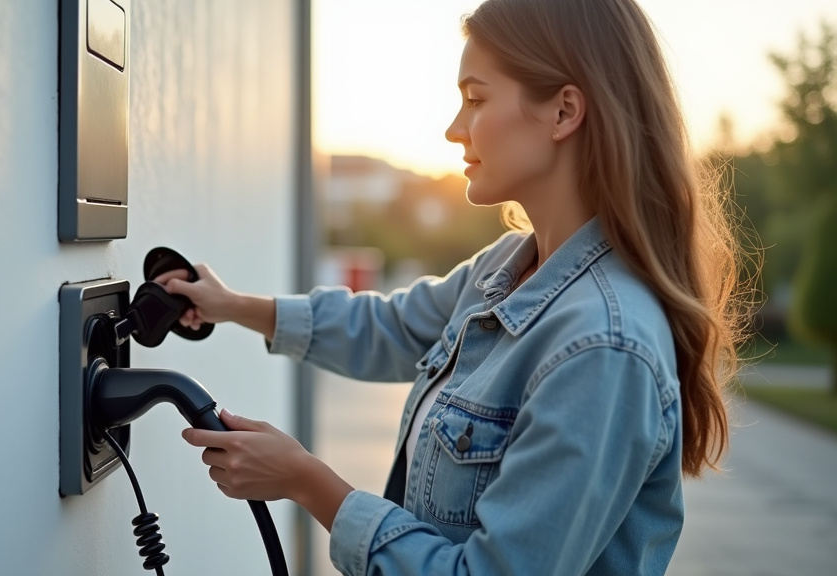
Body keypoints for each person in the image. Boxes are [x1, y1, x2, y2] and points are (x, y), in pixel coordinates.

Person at [158, 0, 752, 573]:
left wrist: (309, 483)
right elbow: (393, 327)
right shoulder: (509, 268)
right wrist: (233, 305)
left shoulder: (602, 347)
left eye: (475, 99)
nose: (452, 129)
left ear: (564, 112)